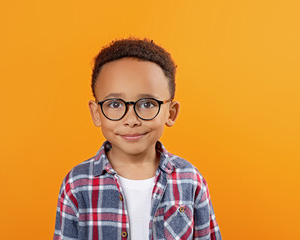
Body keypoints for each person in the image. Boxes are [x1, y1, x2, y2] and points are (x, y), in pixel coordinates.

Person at [53, 38, 222, 240]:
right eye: (115, 104)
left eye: (148, 104)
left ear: (171, 112)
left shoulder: (190, 180)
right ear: (96, 113)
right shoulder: (77, 184)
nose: (131, 120)